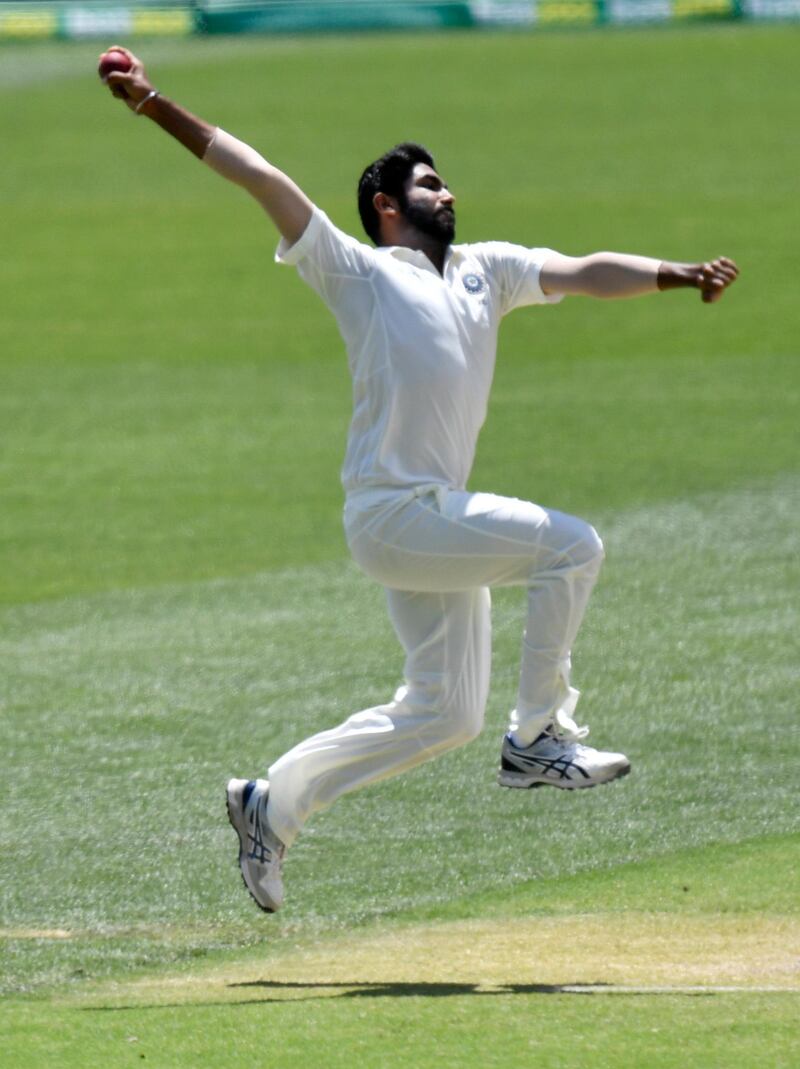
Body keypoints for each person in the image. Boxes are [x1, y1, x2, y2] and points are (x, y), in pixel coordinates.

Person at [103, 48, 739, 914]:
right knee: (572, 547)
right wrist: (152, 103)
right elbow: (259, 175)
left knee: (445, 714)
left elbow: (585, 270)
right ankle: (540, 736)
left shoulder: (489, 269)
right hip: (394, 512)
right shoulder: (355, 272)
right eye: (432, 184)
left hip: (431, 524)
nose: (449, 195)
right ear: (387, 206)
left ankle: (270, 804)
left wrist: (675, 273)